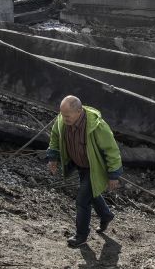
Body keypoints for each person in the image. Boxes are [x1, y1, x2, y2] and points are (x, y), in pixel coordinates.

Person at [46, 95, 123, 248]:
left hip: (95, 167)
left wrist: (113, 175)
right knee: (91, 193)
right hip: (79, 164)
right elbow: (55, 137)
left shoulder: (97, 126)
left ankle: (81, 235)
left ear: (79, 111)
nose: (63, 118)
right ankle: (106, 215)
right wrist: (53, 158)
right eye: (62, 114)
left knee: (82, 200)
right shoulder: (62, 120)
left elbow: (112, 150)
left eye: (67, 115)